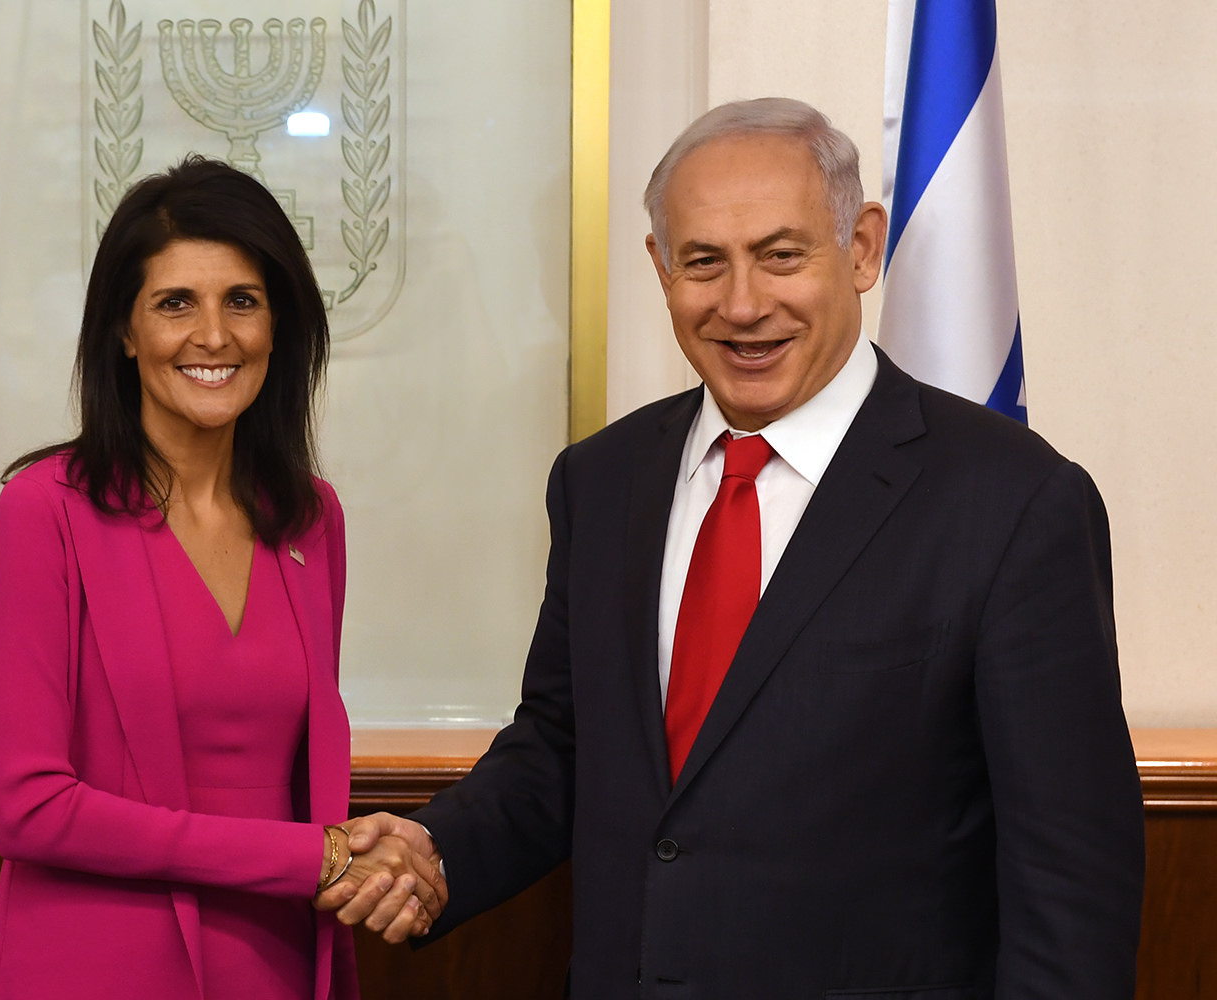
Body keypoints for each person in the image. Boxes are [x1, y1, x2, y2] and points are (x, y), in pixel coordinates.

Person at [324, 99, 1146, 996]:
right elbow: (563, 744)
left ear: (863, 248)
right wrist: (440, 850)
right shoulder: (602, 482)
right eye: (704, 263)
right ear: (660, 267)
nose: (743, 304)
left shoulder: (1013, 500)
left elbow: (1071, 879)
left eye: (782, 254)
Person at [0, 156, 443, 1000]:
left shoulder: (312, 520)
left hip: (277, 964)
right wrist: (316, 855)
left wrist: (369, 867)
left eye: (242, 301)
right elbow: (28, 806)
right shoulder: (46, 510)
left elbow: (300, 780)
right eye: (174, 303)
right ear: (124, 330)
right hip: (93, 971)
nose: (214, 336)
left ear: (279, 325)